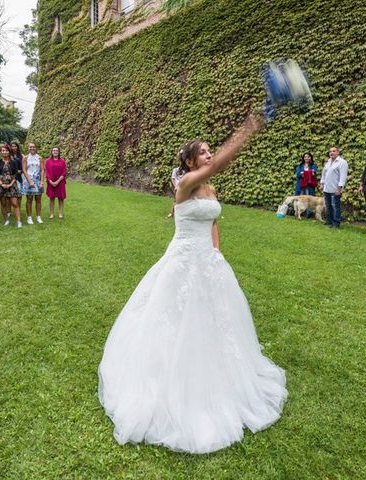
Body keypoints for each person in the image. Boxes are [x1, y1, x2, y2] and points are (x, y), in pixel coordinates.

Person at [98, 113, 288, 454]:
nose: (210, 155)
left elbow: (213, 219)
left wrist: (217, 253)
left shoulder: (209, 188)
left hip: (208, 262)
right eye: (204, 152)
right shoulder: (183, 186)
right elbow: (210, 176)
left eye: (211, 151)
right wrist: (249, 128)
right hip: (182, 262)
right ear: (189, 162)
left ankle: (218, 378)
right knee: (174, 320)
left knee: (215, 320)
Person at [319, 147, 348, 228]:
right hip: (327, 188)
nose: (331, 153)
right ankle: (329, 221)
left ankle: (336, 223)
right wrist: (322, 184)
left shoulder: (342, 162)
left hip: (335, 189)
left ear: (338, 152)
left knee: (335, 206)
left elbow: (343, 176)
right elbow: (324, 174)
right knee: (328, 206)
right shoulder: (328, 162)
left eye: (333, 151)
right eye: (330, 151)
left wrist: (339, 188)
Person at [0, 144, 22, 227]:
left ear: (9, 151)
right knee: (3, 204)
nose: (4, 152)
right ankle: (6, 220)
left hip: (12, 185)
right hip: (1, 186)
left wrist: (10, 184)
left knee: (15, 203)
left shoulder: (14, 162)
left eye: (6, 150)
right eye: (3, 150)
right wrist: (2, 184)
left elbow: (16, 174)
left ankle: (19, 221)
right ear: (0, 152)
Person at [22, 142, 45, 224]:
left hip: (38, 181)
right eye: (30, 147)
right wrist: (29, 181)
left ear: (36, 148)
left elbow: (42, 170)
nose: (32, 148)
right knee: (29, 199)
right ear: (28, 148)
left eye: (33, 147)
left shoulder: (40, 158)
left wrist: (42, 182)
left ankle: (38, 217)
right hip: (29, 181)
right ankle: (29, 217)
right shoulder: (25, 158)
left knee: (38, 199)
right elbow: (24, 170)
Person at [45, 147, 67, 219]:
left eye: (56, 150)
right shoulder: (48, 161)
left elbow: (64, 172)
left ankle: (60, 214)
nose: (55, 151)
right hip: (50, 182)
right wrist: (50, 181)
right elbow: (47, 172)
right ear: (51, 152)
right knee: (51, 198)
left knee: (61, 198)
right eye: (53, 150)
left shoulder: (62, 161)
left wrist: (57, 181)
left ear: (59, 152)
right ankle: (51, 214)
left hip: (60, 182)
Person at [9, 141, 24, 217]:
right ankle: (11, 209)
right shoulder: (8, 155)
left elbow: (23, 168)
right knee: (11, 194)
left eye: (15, 146)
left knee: (19, 194)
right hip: (10, 178)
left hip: (19, 177)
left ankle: (19, 208)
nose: (14, 147)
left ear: (17, 147)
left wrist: (20, 171)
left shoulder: (21, 156)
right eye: (12, 146)